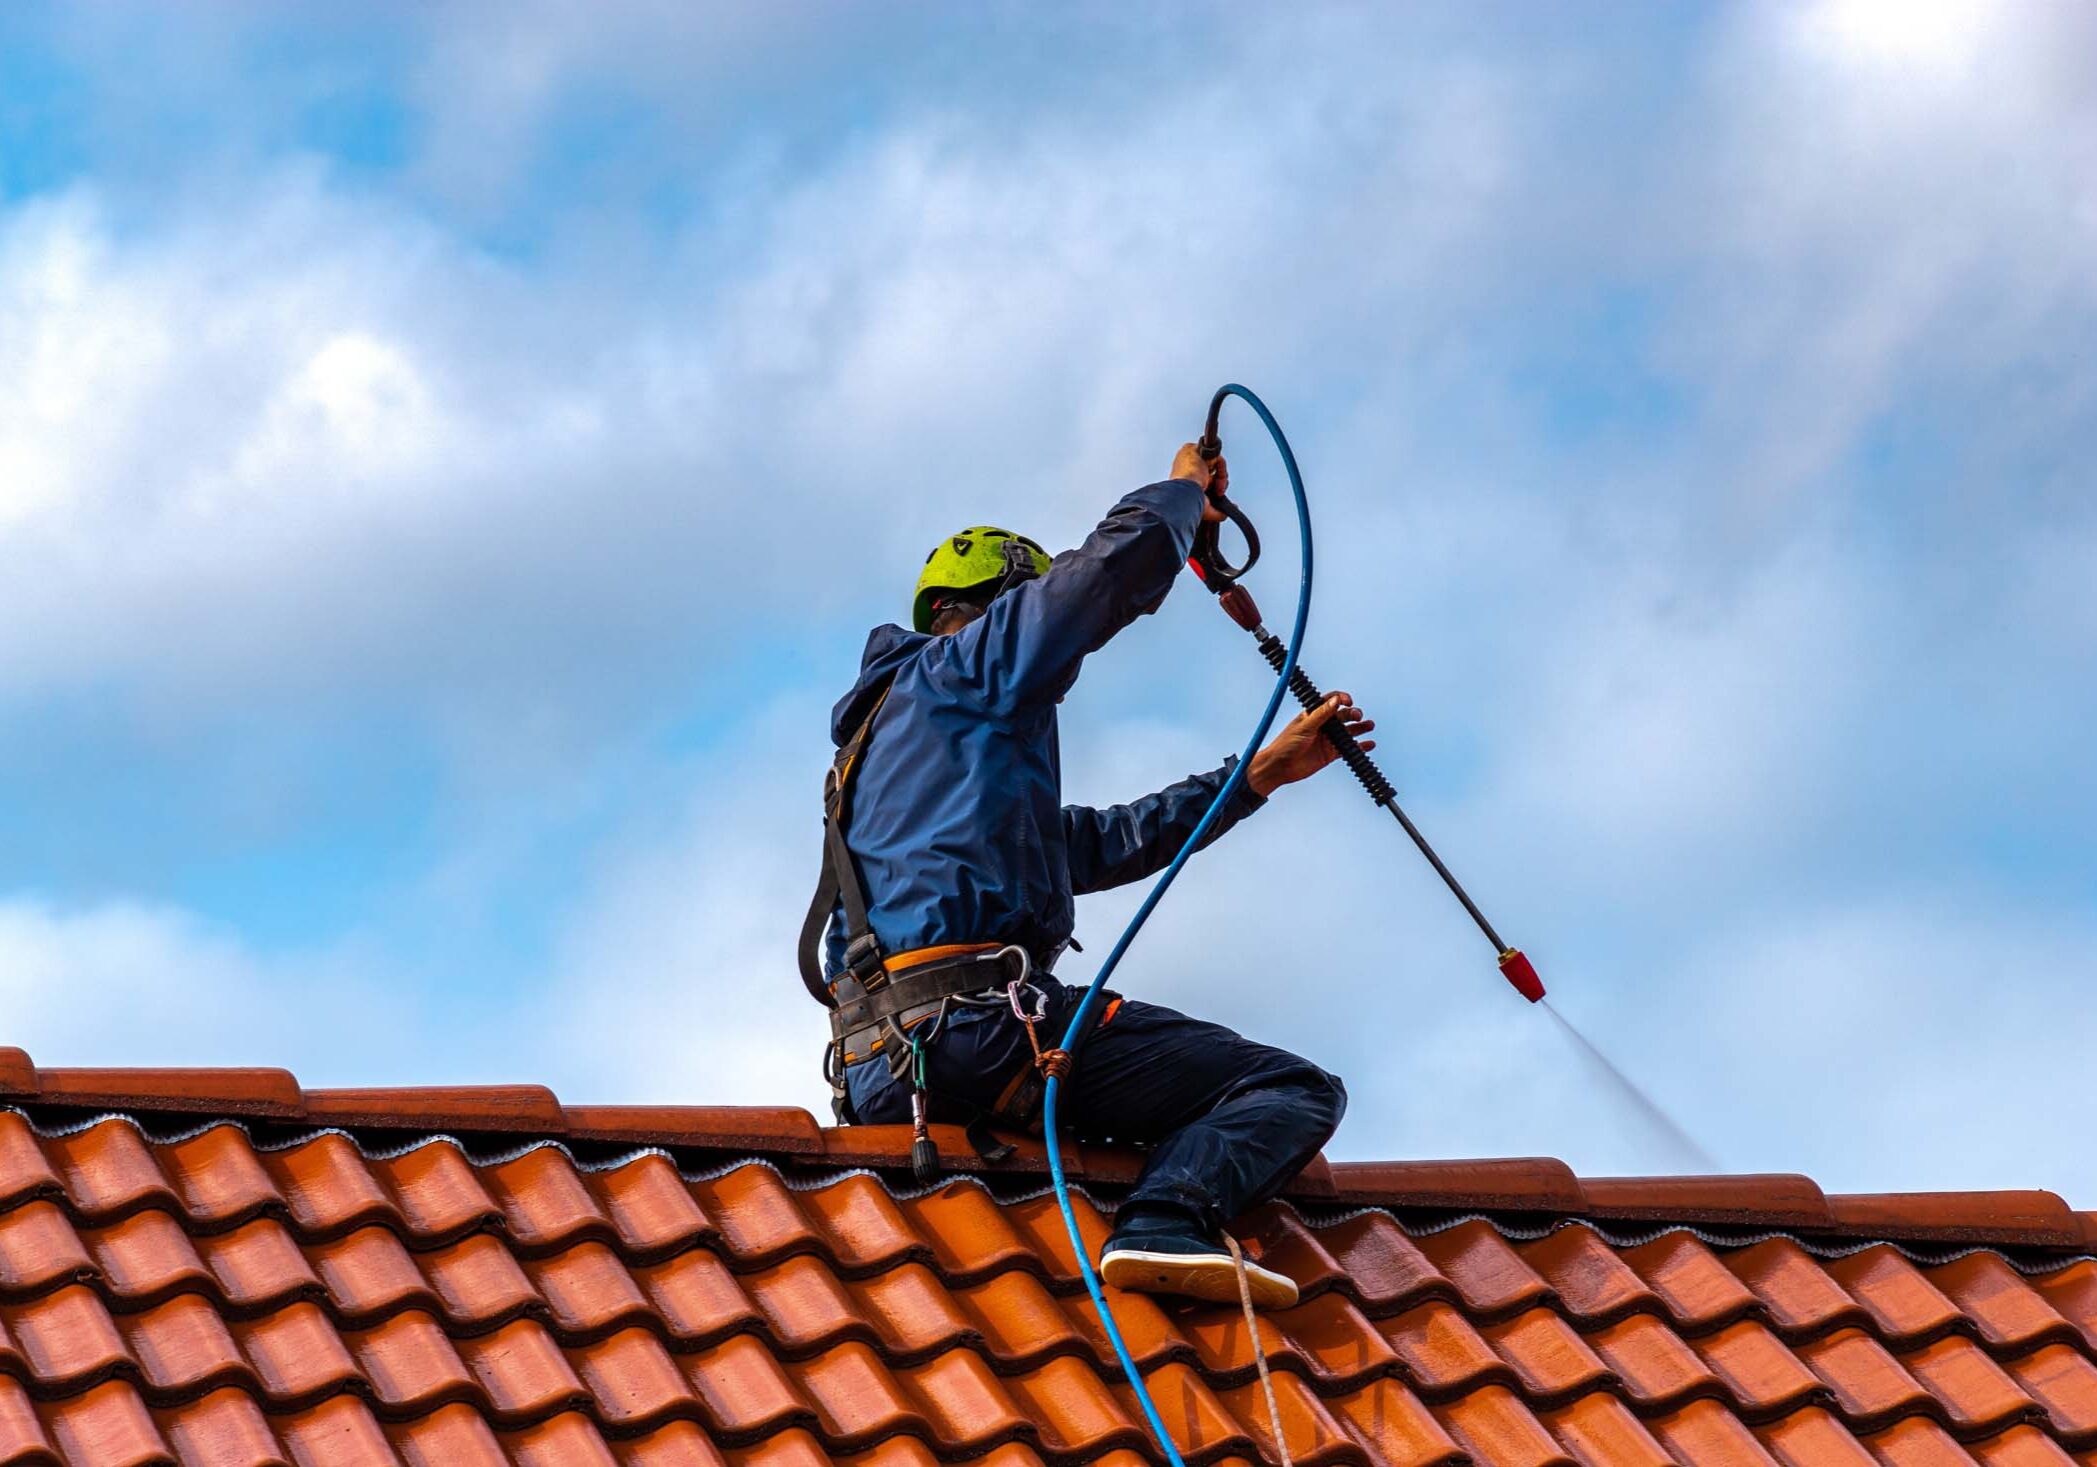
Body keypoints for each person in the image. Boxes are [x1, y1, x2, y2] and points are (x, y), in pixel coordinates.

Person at [800, 444, 1368, 1308]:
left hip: (879, 1068)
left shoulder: (889, 764)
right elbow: (1107, 573)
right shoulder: (965, 669)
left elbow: (1103, 842)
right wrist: (1183, 493)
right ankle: (1166, 1221)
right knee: (1287, 1088)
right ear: (992, 609)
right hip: (980, 1029)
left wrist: (1259, 773)